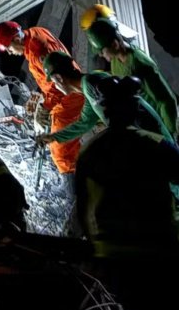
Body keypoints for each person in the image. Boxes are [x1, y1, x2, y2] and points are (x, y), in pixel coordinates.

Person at [75, 76, 179, 309]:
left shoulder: (90, 151)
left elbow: (83, 210)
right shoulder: (156, 144)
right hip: (160, 250)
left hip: (114, 258)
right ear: (135, 111)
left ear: (106, 113)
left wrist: (97, 249)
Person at [0, 21, 85, 197]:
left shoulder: (37, 53)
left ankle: (73, 195)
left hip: (69, 97)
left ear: (15, 39)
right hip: (69, 92)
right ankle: (78, 179)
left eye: (9, 48)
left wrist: (44, 108)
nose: (11, 53)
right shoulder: (36, 33)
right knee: (69, 142)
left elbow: (56, 86)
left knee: (61, 148)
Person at [36, 51, 174, 146]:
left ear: (59, 78)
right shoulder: (89, 87)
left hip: (153, 140)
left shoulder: (92, 84)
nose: (55, 86)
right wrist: (54, 137)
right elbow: (84, 123)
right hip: (150, 138)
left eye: (54, 82)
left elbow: (125, 118)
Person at [86, 17, 178, 139]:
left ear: (115, 44)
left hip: (157, 126)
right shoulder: (115, 61)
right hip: (143, 125)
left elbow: (166, 100)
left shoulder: (139, 63)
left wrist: (171, 135)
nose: (100, 54)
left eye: (102, 51)